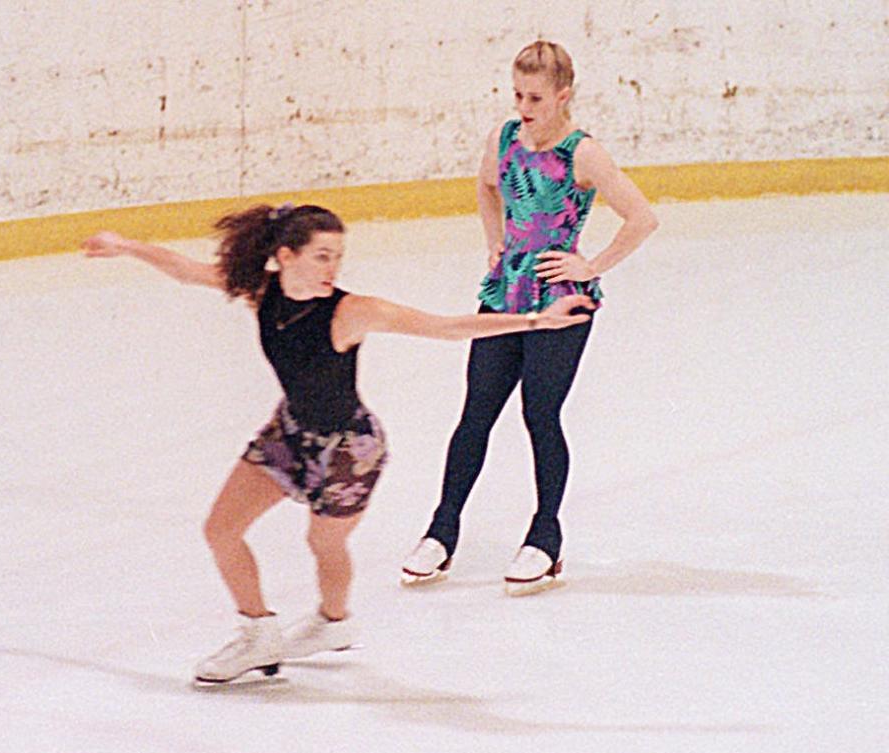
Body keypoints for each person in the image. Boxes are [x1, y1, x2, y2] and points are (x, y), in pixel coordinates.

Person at [81, 203, 594, 684]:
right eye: (322, 256)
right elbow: (187, 270)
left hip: (350, 450)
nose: (333, 267)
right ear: (285, 256)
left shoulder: (351, 311)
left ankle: (333, 622)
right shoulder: (264, 292)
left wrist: (536, 321)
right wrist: (127, 246)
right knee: (221, 530)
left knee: (323, 542)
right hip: (290, 433)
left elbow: (445, 327)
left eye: (339, 257)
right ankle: (259, 632)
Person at [401, 40, 658, 595]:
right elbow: (486, 187)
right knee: (476, 413)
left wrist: (590, 264)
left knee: (540, 414)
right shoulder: (503, 138)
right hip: (504, 294)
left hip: (562, 300)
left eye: (535, 96)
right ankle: (442, 530)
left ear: (563, 96)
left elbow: (642, 217)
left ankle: (545, 536)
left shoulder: (582, 153)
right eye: (517, 93)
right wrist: (494, 242)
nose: (523, 105)